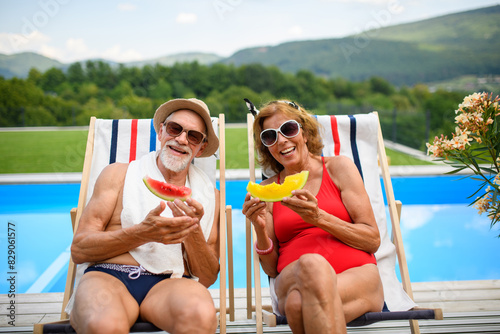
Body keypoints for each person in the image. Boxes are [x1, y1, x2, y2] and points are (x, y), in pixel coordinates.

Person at [69, 98, 221, 334]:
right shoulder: (116, 175)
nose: (181, 139)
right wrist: (141, 233)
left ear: (201, 148)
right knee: (104, 325)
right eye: (174, 129)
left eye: (193, 136)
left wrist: (192, 231)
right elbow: (79, 250)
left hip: (172, 283)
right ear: (161, 131)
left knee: (199, 318)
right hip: (110, 276)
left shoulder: (210, 196)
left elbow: (208, 277)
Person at [242, 100, 384, 334]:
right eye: (270, 137)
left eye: (288, 129)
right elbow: (270, 268)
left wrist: (320, 218)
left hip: (358, 278)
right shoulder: (265, 191)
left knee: (298, 305)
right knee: (312, 264)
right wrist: (259, 230)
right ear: (266, 146)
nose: (282, 141)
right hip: (292, 277)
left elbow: (372, 240)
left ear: (305, 133)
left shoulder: (339, 168)